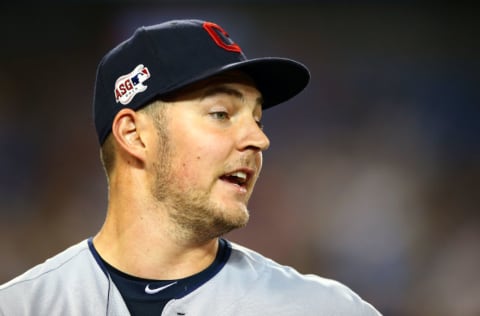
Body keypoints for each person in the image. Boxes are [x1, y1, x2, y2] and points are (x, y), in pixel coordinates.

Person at [0, 19, 381, 315]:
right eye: (221, 113)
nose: (259, 139)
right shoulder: (20, 306)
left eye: (258, 119)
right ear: (134, 135)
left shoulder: (323, 310)